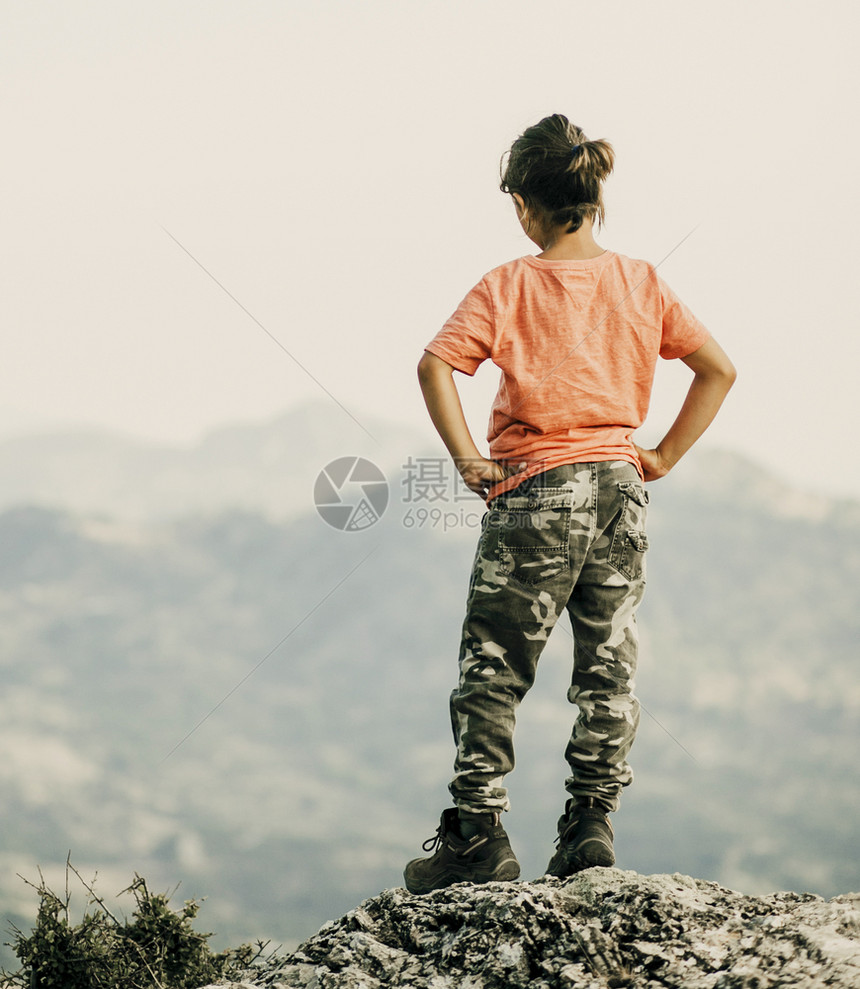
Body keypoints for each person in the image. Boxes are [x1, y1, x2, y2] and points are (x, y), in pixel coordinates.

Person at [403, 113, 736, 895]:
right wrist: (658, 456)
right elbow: (717, 369)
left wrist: (467, 460)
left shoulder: (508, 284)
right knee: (608, 663)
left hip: (535, 492)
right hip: (619, 489)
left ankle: (477, 833)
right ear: (591, 196)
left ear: (526, 202)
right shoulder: (643, 280)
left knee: (494, 665)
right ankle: (590, 823)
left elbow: (434, 366)